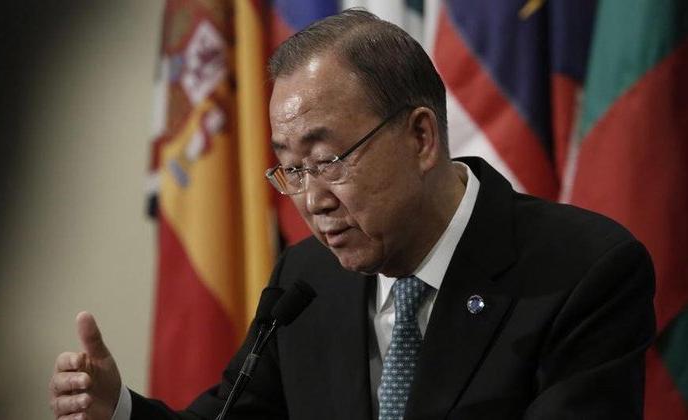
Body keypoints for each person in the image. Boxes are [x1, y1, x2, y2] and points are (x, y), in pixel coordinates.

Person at [49, 10, 655, 420]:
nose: (312, 200)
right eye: (291, 168)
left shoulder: (582, 271)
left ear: (421, 137)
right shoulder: (306, 281)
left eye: (327, 159)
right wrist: (119, 410)